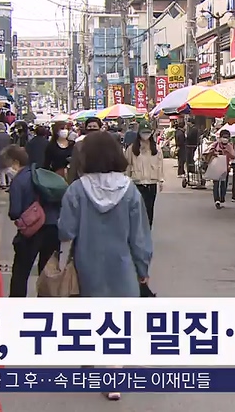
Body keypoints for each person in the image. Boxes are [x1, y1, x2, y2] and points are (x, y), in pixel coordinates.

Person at [57, 131, 152, 402]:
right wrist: (143, 268)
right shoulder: (129, 190)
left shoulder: (77, 189)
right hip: (122, 263)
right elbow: (140, 235)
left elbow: (66, 230)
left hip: (88, 261)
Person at [3, 145, 62, 298]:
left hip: (32, 231)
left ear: (15, 162)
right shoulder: (41, 174)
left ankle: (17, 303)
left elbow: (15, 211)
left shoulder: (19, 181)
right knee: (47, 270)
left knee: (21, 272)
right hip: (53, 228)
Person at [125, 121, 164, 227]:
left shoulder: (156, 149)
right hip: (137, 182)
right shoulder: (132, 149)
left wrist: (161, 180)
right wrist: (126, 181)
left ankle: (147, 230)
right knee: (137, 210)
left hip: (151, 183)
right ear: (139, 133)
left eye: (148, 132)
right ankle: (137, 230)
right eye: (143, 132)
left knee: (149, 209)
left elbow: (160, 165)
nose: (145, 135)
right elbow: (127, 165)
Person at [203, 128, 235, 208]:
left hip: (225, 167)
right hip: (216, 167)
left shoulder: (229, 146)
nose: (225, 139)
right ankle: (217, 200)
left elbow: (233, 156)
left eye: (227, 137)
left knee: (224, 183)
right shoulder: (215, 145)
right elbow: (206, 152)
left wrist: (227, 153)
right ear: (220, 137)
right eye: (224, 137)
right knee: (216, 184)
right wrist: (214, 153)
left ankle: (222, 198)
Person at [66, 117, 103, 184]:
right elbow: (74, 165)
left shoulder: (106, 144)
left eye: (94, 126)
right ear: (86, 128)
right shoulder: (79, 145)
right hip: (84, 180)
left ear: (100, 128)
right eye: (89, 126)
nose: (92, 128)